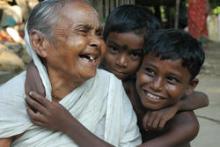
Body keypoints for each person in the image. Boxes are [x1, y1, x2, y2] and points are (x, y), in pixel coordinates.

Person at [24, 4, 208, 147]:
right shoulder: (124, 81)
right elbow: (60, 61)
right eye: (113, 49)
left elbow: (201, 97)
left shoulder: (183, 122)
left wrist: (66, 123)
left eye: (134, 54)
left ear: (145, 55)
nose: (121, 62)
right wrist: (35, 66)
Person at [0, 0, 141, 147]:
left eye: (99, 34)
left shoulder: (110, 88)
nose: (97, 42)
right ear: (40, 42)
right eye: (82, 31)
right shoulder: (11, 99)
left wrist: (68, 125)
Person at [136, 29, 205, 147]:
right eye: (150, 71)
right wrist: (177, 105)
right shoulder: (125, 89)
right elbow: (203, 98)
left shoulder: (187, 124)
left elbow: (204, 98)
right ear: (138, 67)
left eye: (171, 79)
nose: (156, 86)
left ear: (190, 86)